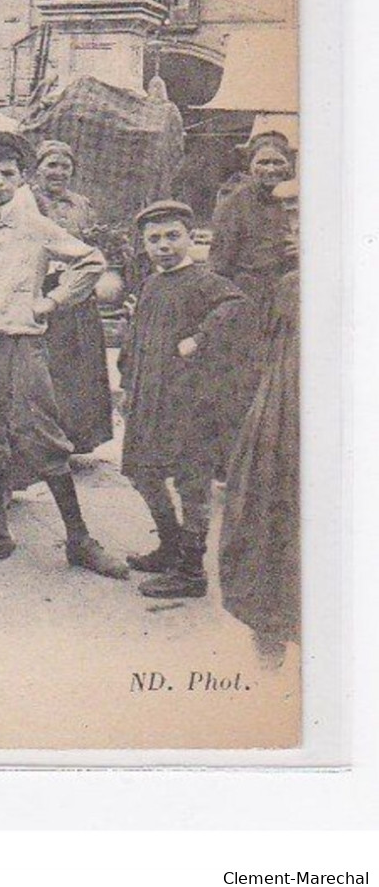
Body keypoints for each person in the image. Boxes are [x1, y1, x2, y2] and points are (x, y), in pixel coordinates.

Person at [0, 129, 126, 578]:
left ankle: (78, 539)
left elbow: (91, 261)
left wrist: (51, 301)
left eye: (7, 174)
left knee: (42, 437)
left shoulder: (36, 225)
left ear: (22, 178)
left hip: (22, 344)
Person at [117, 200, 245, 599]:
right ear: (143, 245)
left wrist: (200, 338)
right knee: (143, 473)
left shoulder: (204, 280)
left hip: (188, 405)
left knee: (192, 485)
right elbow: (135, 341)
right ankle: (170, 545)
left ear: (191, 238)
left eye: (173, 236)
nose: (164, 245)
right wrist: (127, 385)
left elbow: (237, 306)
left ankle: (191, 571)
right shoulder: (152, 284)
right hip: (148, 401)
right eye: (154, 239)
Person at [220, 177, 300, 668]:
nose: (291, 230)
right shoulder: (289, 285)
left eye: (301, 217)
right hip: (278, 417)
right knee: (266, 521)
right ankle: (269, 634)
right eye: (288, 218)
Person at [209, 129, 297, 443]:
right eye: (263, 162)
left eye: (278, 162)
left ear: (290, 166)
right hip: (249, 300)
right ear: (250, 167)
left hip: (289, 301)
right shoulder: (236, 203)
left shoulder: (295, 202)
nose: (271, 170)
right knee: (246, 377)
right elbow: (219, 264)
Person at [30, 140, 114, 454]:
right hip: (46, 291)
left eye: (65, 166)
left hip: (78, 294)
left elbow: (93, 243)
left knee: (82, 367)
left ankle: (79, 438)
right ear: (37, 168)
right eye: (51, 165)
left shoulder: (82, 204)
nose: (58, 172)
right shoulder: (29, 201)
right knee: (52, 369)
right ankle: (49, 440)